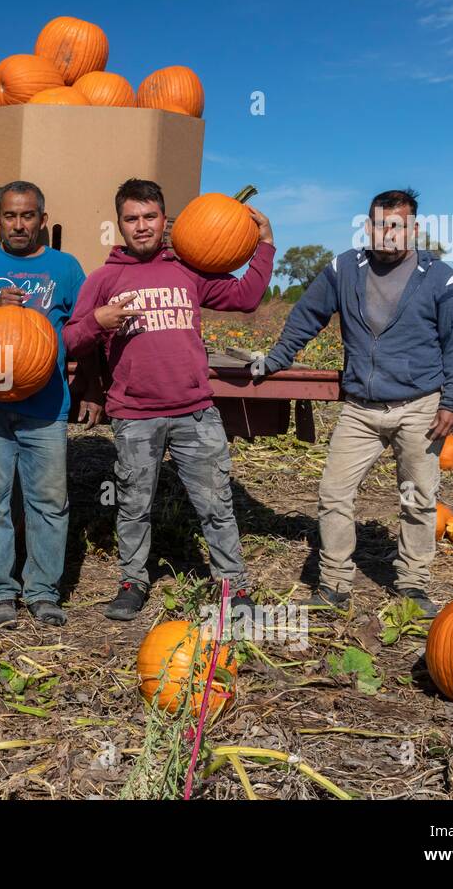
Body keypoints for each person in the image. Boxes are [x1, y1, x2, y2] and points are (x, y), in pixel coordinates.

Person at [251, 188, 453, 617]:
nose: (388, 234)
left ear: (413, 229)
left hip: (420, 408)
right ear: (368, 226)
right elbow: (307, 316)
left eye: (398, 225)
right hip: (361, 409)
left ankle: (412, 585)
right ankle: (334, 584)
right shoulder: (344, 269)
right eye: (380, 224)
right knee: (334, 493)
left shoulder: (439, 277)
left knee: (418, 498)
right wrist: (277, 358)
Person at [64, 178, 275, 622]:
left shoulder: (189, 270)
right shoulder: (104, 279)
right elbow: (70, 341)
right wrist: (99, 321)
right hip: (135, 415)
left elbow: (247, 296)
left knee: (215, 504)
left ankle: (233, 586)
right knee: (134, 505)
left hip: (195, 411)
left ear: (164, 220)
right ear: (119, 223)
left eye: (149, 217)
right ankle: (133, 581)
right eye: (131, 218)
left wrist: (265, 246)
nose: (141, 226)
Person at [0, 181, 102, 629]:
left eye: (27, 216)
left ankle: (43, 591)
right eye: (9, 216)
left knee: (48, 501)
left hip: (46, 404)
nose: (18, 224)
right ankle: (0, 592)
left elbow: (84, 330)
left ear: (42, 219)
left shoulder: (65, 267)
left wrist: (94, 388)